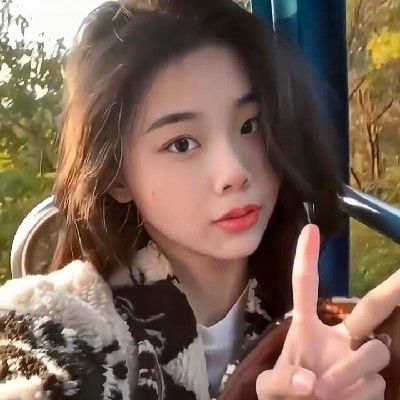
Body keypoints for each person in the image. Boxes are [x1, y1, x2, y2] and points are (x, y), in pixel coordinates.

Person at [0, 0, 397, 399]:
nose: (234, 171)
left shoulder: (333, 333)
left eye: (250, 125)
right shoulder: (56, 326)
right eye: (182, 143)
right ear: (118, 178)